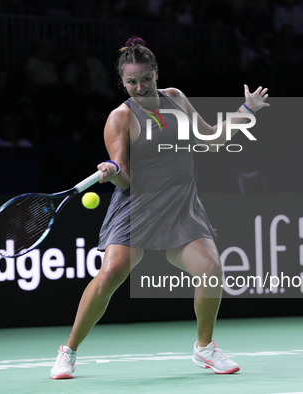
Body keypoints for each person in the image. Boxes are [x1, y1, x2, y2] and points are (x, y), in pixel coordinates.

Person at [50, 37, 270, 379]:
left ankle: (205, 349)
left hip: (180, 207)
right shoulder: (119, 118)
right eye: (132, 82)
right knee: (110, 274)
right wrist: (113, 171)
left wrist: (247, 111)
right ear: (122, 82)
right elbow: (127, 180)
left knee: (211, 270)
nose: (139, 87)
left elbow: (211, 141)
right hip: (136, 209)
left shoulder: (177, 99)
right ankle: (69, 351)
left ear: (156, 73)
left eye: (145, 79)